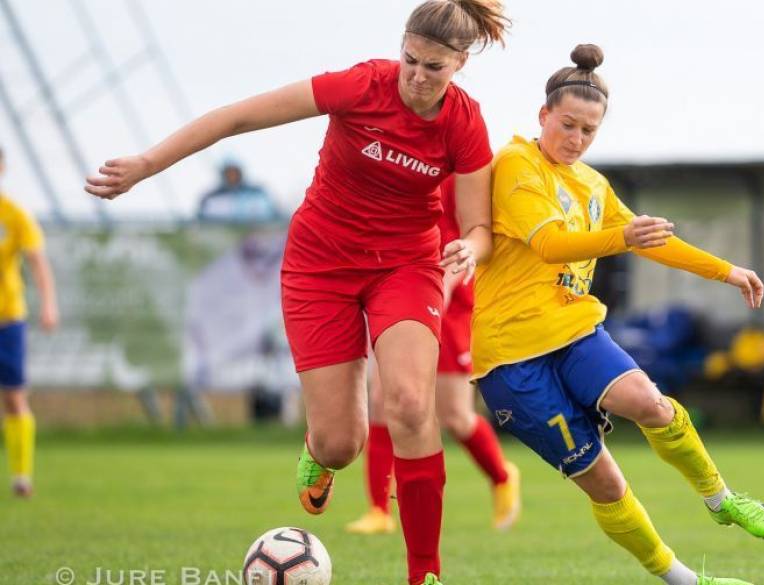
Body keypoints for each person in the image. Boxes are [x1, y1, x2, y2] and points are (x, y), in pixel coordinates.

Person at [84, 3, 510, 583]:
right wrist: (146, 164)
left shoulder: (464, 122)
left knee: (411, 405)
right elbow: (237, 118)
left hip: (406, 266)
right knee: (340, 445)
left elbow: (478, 226)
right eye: (409, 59)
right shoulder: (360, 86)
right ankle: (319, 448)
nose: (416, 76)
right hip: (320, 265)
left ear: (459, 64)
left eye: (433, 67)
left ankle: (425, 574)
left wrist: (470, 250)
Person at [473, 45, 764, 585]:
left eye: (588, 130)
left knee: (650, 404)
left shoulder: (592, 184)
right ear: (543, 115)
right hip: (509, 356)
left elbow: (648, 239)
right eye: (567, 125)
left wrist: (726, 270)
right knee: (607, 484)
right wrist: (624, 237)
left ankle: (722, 500)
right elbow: (549, 245)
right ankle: (684, 580)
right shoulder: (517, 165)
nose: (576, 138)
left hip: (574, 332)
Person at [347, 178, 521, 535]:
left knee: (455, 416)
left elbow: (476, 234)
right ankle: (379, 510)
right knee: (380, 400)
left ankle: (502, 476)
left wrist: (444, 286)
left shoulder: (463, 170)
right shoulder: (395, 162)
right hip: (402, 290)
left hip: (450, 302)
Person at [0, 146, 60, 498]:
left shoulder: (14, 215)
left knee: (14, 397)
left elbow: (37, 261)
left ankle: (21, 476)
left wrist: (48, 303)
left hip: (7, 318)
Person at [196, 159, 281, 223]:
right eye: (229, 172)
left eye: (234, 172)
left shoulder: (257, 192)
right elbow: (202, 219)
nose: (232, 176)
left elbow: (273, 214)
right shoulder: (211, 197)